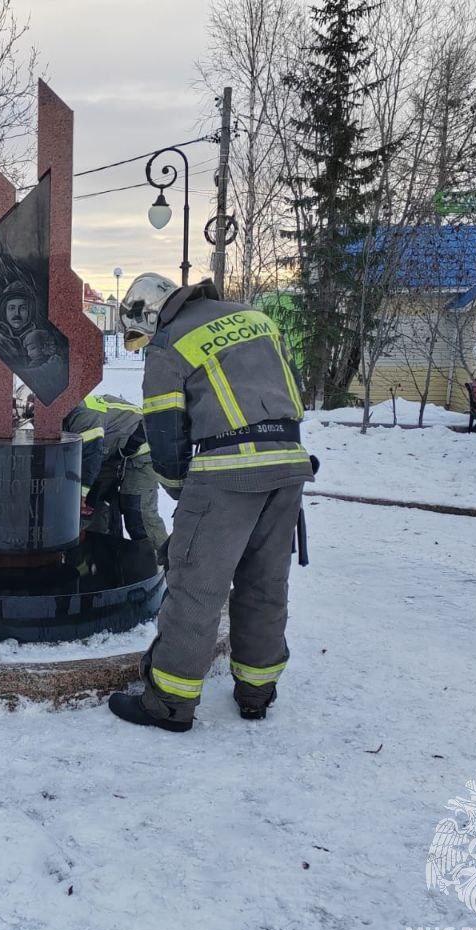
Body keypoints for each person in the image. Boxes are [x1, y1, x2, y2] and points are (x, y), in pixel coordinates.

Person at [107, 273, 313, 733]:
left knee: (196, 587)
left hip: (228, 470)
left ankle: (168, 705)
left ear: (149, 315)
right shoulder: (256, 318)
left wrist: (185, 498)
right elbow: (291, 388)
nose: (144, 345)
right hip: (289, 463)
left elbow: (164, 435)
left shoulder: (169, 343)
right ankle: (257, 693)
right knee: (264, 583)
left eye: (140, 335)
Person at [61, 393, 168, 554]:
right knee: (93, 506)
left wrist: (81, 494)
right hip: (110, 454)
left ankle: (163, 560)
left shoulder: (83, 417)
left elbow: (91, 455)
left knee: (137, 512)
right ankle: (103, 556)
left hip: (142, 449)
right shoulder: (58, 417)